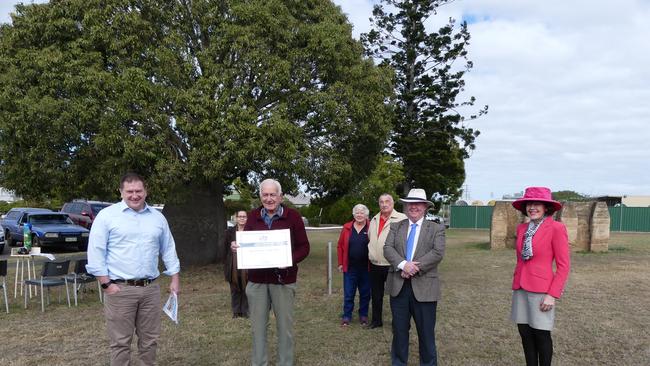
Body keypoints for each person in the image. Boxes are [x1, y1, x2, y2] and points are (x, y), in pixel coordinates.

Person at [86, 172, 180, 366]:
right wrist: (106, 285)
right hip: (120, 290)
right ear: (121, 192)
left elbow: (168, 248)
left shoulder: (157, 218)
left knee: (150, 340)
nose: (134, 195)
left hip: (150, 289)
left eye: (139, 191)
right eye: (129, 191)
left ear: (146, 191)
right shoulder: (107, 216)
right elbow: (96, 252)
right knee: (120, 342)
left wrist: (175, 278)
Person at [233, 178, 310, 366]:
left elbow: (304, 247)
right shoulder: (252, 217)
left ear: (280, 196)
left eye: (272, 194)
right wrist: (238, 246)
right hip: (257, 282)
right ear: (260, 196)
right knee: (258, 328)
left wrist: (288, 259)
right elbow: (247, 243)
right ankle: (259, 363)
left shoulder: (293, 216)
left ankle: (285, 363)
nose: (269, 198)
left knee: (285, 328)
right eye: (265, 195)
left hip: (283, 281)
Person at [384, 188, 445, 366]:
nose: (414, 207)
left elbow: (437, 253)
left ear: (425, 207)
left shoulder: (436, 228)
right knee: (399, 331)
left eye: (418, 204)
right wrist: (403, 265)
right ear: (405, 206)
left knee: (426, 333)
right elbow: (388, 248)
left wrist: (413, 268)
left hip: (425, 289)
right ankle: (399, 362)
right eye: (410, 204)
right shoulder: (396, 226)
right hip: (399, 288)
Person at [511, 187, 571, 366]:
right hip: (520, 287)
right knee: (525, 333)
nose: (532, 207)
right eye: (529, 203)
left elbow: (563, 266)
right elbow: (521, 260)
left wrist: (552, 294)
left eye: (537, 204)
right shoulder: (522, 228)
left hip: (542, 291)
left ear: (546, 207)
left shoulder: (556, 228)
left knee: (541, 334)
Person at [367, 193, 407, 329]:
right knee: (376, 295)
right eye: (381, 202)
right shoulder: (373, 219)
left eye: (387, 201)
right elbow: (371, 238)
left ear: (393, 203)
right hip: (375, 264)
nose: (384, 204)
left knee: (396, 296)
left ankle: (399, 323)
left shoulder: (402, 218)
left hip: (392, 265)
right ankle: (376, 321)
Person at [337, 204, 371, 327]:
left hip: (366, 268)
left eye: (362, 212)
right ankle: (347, 316)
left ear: (366, 215)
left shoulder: (371, 227)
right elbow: (340, 246)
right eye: (357, 212)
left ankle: (363, 315)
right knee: (349, 293)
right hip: (350, 267)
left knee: (365, 293)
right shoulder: (347, 227)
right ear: (353, 214)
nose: (359, 214)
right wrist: (340, 263)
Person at [224, 210, 249, 318]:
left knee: (246, 288)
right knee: (234, 288)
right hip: (233, 264)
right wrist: (231, 246)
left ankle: (245, 311)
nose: (242, 218)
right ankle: (236, 311)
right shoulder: (229, 232)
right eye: (240, 216)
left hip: (247, 264)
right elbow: (224, 249)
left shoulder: (251, 231)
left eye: (244, 216)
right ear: (236, 218)